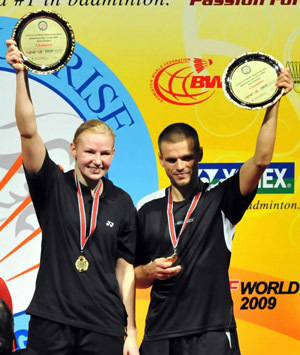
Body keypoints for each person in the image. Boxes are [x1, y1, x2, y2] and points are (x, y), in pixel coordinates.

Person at [134, 69, 293, 355]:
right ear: (160, 160)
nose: (179, 166)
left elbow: (260, 161)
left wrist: (273, 103)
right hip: (159, 335)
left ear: (200, 156)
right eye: (171, 159)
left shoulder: (221, 199)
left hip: (212, 334)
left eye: (186, 157)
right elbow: (132, 276)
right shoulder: (146, 208)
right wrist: (147, 270)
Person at [6, 39, 139, 355]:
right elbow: (27, 132)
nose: (98, 160)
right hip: (52, 320)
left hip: (104, 324)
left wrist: (131, 331)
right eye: (90, 151)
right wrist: (21, 75)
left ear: (114, 154)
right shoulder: (51, 184)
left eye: (105, 153)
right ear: (74, 150)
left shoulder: (122, 202)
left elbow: (125, 270)